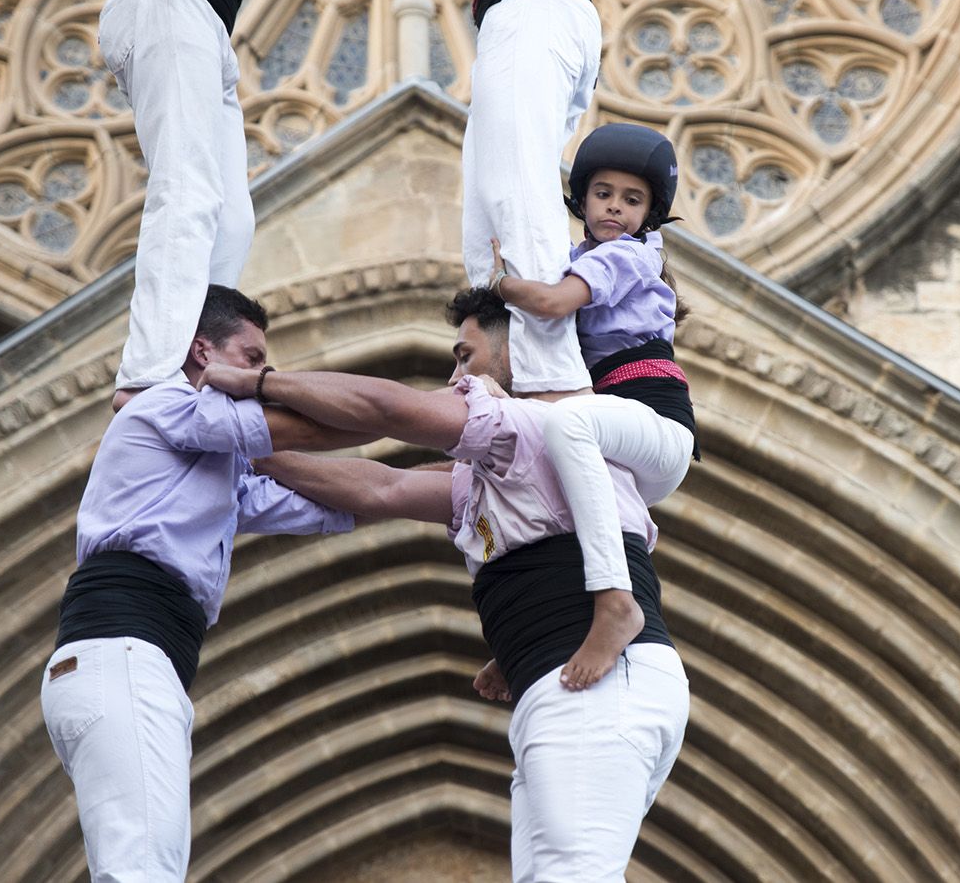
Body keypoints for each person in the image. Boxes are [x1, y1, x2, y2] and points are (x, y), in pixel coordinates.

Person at [200, 288, 690, 881]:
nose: (455, 375)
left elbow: (389, 410)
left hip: (600, 686)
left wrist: (257, 386)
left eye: (466, 356)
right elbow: (379, 488)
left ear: (525, 354)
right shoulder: (500, 472)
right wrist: (255, 454)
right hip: (571, 685)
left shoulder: (525, 426)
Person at [261, 0, 602, 395]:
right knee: (485, 219)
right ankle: (500, 367)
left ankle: (554, 384)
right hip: (510, 14)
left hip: (536, 4)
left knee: (516, 191)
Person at [40, 285, 364, 881]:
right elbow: (309, 431)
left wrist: (461, 474)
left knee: (146, 863)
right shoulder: (166, 405)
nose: (263, 373)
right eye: (252, 357)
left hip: (134, 663)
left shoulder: (212, 467)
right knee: (143, 870)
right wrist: (436, 417)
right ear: (201, 352)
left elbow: (340, 497)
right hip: (124, 655)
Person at [106, 0, 433, 404]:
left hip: (204, 23)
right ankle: (147, 375)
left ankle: (197, 361)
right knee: (187, 192)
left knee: (231, 219)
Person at [486, 123, 697, 691]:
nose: (615, 208)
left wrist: (498, 284)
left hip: (656, 426)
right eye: (604, 194)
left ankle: (617, 604)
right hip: (621, 441)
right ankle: (544, 629)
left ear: (649, 215)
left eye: (633, 200)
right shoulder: (581, 255)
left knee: (566, 423)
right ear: (582, 198)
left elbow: (552, 304)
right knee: (538, 489)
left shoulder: (627, 257)